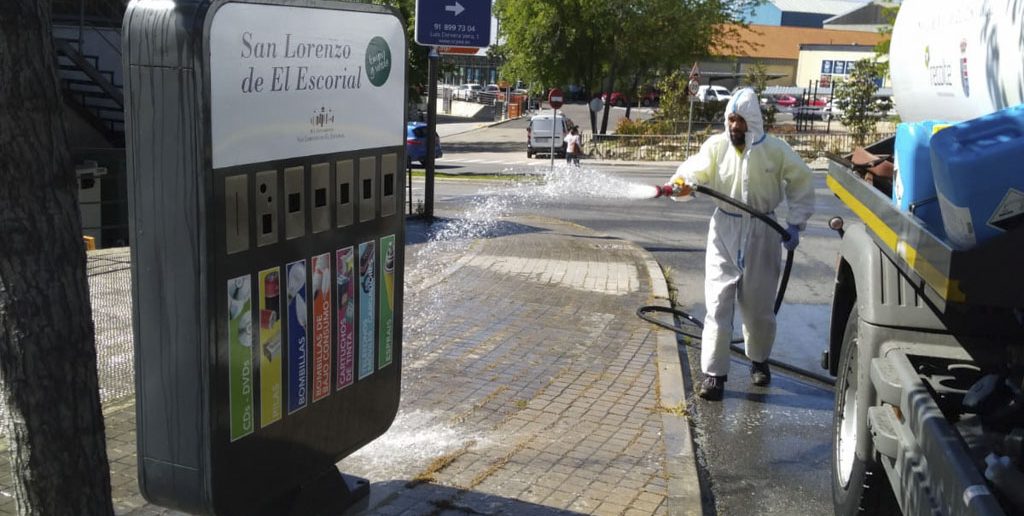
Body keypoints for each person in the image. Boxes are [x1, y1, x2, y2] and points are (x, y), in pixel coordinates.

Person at [663, 87, 815, 401]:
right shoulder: (716, 146)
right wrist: (681, 184)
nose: (734, 126)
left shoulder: (775, 150)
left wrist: (795, 224)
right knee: (718, 302)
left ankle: (759, 360)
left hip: (763, 230)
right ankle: (714, 374)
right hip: (725, 229)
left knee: (759, 307)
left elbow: (801, 181)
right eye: (731, 119)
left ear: (753, 121)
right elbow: (694, 170)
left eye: (740, 120)